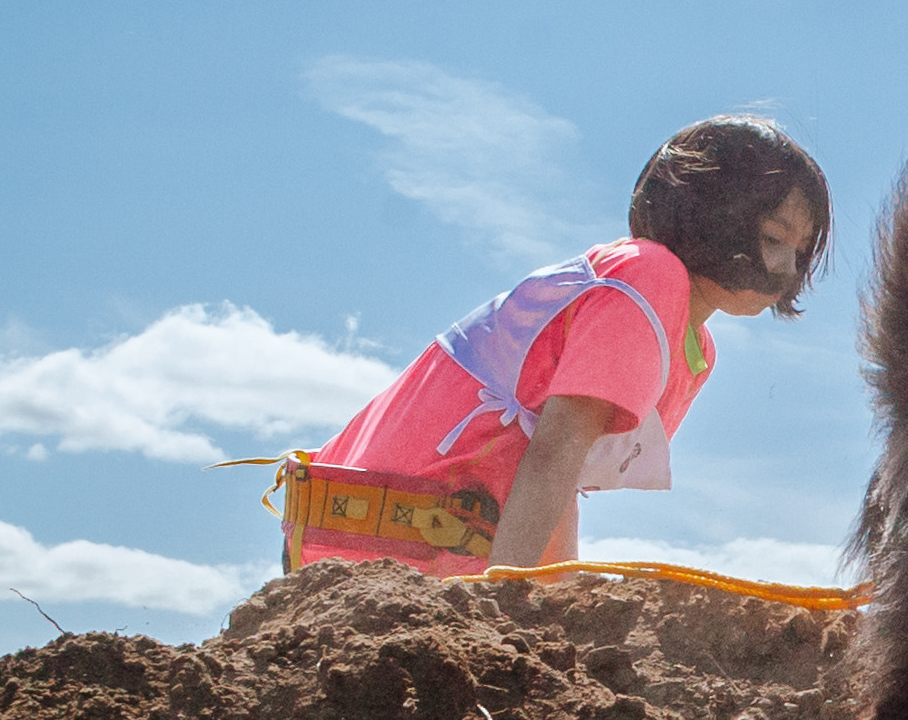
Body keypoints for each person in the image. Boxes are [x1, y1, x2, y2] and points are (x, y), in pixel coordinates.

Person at [290, 114, 831, 578]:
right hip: (375, 551)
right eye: (772, 238)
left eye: (800, 250)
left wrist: (552, 614)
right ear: (715, 216)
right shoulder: (648, 276)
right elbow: (553, 454)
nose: (787, 268)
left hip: (401, 557)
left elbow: (555, 472)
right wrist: (507, 611)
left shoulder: (695, 350)